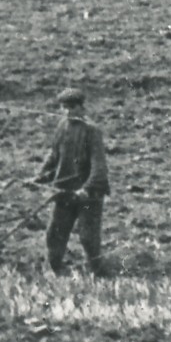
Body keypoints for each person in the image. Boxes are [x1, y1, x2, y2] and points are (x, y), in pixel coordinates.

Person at [34, 86, 109, 275]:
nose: (67, 112)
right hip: (64, 191)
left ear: (80, 108)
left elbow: (98, 165)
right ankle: (54, 270)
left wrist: (87, 188)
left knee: (87, 237)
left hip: (88, 194)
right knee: (55, 233)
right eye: (64, 108)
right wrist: (39, 177)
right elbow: (53, 157)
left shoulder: (92, 131)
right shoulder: (62, 127)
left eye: (71, 108)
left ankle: (97, 271)